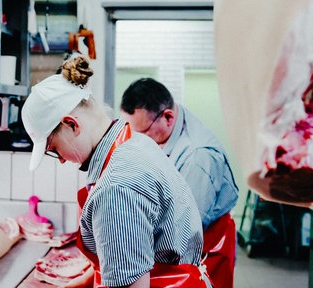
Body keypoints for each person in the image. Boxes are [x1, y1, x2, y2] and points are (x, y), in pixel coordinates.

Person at [22, 54, 212, 287]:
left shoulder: (116, 187)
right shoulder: (135, 142)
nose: (60, 160)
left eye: (54, 149)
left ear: (72, 124)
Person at [120, 77, 239, 288]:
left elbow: (185, 230)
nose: (136, 141)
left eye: (142, 134)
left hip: (207, 246)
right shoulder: (167, 128)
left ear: (168, 117)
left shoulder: (198, 158)